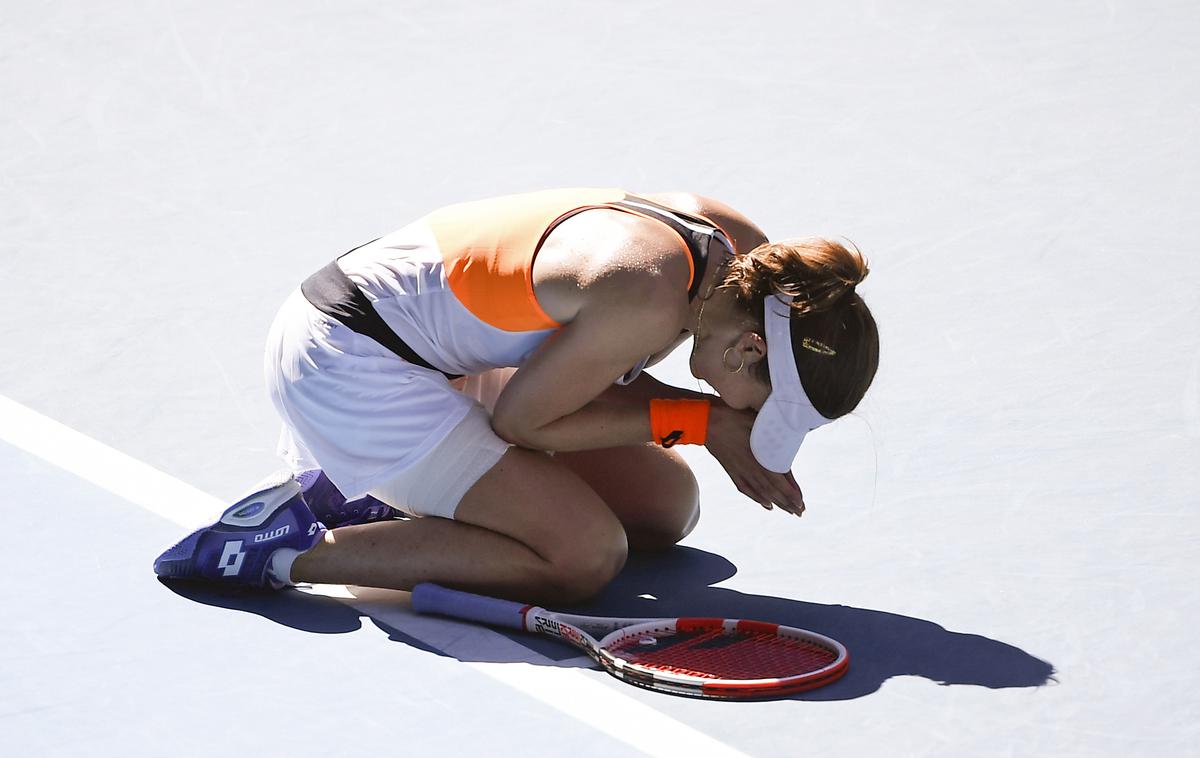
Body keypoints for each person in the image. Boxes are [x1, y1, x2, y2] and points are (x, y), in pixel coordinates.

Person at [154, 188, 879, 604]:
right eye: (761, 405)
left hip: (441, 351)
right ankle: (286, 547)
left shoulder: (736, 254)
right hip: (350, 365)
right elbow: (527, 422)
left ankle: (393, 496)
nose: (750, 421)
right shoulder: (647, 296)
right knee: (584, 558)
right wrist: (701, 420)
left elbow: (583, 375)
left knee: (664, 509)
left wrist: (707, 424)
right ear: (749, 348)